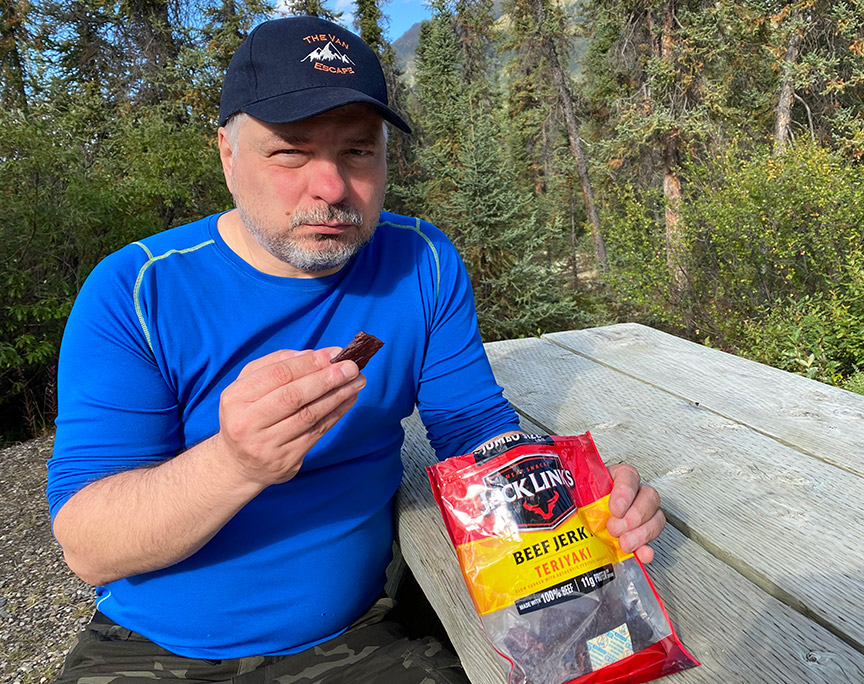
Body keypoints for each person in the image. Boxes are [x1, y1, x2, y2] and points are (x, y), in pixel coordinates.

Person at [47, 14, 667, 684]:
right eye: (290, 151)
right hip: (154, 647)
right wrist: (235, 463)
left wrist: (569, 505)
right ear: (227, 153)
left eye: (358, 152)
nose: (332, 187)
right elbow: (88, 546)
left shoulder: (420, 262)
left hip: (363, 634)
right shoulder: (138, 292)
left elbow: (475, 431)